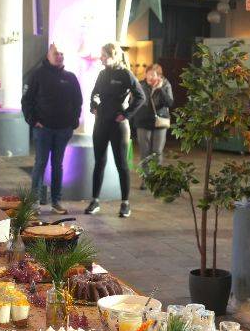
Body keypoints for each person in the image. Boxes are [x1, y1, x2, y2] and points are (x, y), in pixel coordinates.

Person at [85, 42, 145, 218]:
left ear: (113, 56)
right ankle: (95, 200)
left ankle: (125, 203)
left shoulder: (125, 74)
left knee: (122, 164)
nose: (101, 58)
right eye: (101, 55)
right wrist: (93, 105)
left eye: (104, 55)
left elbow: (140, 96)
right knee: (99, 162)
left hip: (118, 126)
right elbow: (94, 94)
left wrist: (126, 114)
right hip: (101, 123)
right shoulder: (102, 74)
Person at [23, 43, 83, 214]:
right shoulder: (37, 75)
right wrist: (33, 120)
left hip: (63, 130)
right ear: (48, 55)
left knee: (58, 165)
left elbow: (78, 102)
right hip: (43, 130)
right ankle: (34, 203)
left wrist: (73, 123)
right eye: (56, 53)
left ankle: (56, 201)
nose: (59, 56)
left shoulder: (70, 77)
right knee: (40, 163)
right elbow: (26, 101)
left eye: (62, 53)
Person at [131, 62, 175, 187]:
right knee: (145, 152)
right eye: (148, 75)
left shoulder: (165, 84)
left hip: (160, 122)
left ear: (158, 76)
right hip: (143, 122)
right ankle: (145, 179)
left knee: (157, 152)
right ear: (145, 75)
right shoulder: (140, 85)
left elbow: (170, 103)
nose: (150, 78)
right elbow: (134, 102)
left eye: (153, 75)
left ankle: (155, 179)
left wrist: (160, 89)